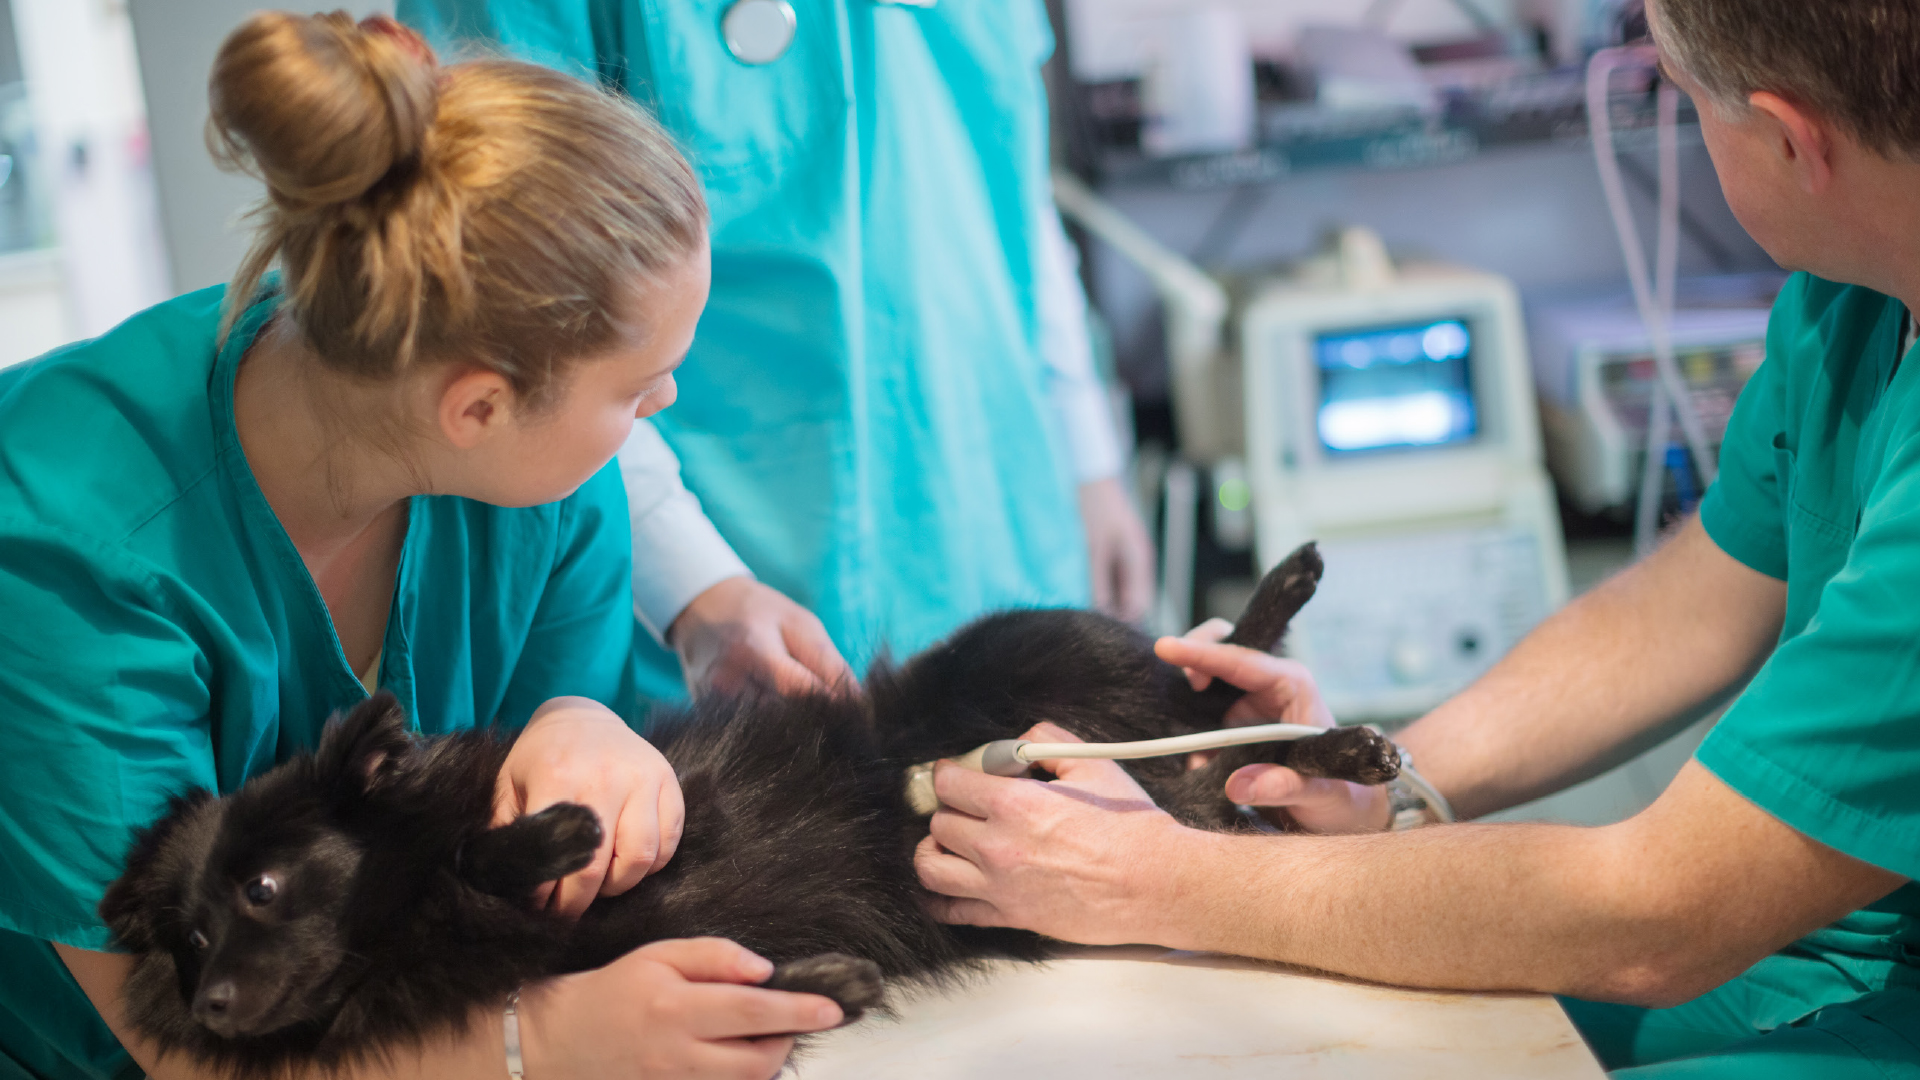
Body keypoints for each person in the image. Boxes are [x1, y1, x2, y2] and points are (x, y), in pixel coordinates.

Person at [914, 1, 1920, 1075]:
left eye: (1678, 90)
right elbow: (1701, 597)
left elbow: (1652, 915)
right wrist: (1390, 788)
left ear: (1790, 137)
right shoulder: (1850, 293)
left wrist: (1157, 877)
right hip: (1806, 945)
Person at [0, 14, 840, 1079]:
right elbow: (187, 1045)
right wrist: (539, 1044)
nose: (662, 406)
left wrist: (579, 722)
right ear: (479, 407)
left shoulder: (543, 486)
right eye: (637, 389)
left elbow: (501, 859)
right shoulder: (66, 564)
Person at [397, 0, 1157, 702]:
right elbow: (506, 302)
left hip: (998, 513)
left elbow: (1008, 179)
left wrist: (1086, 457)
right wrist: (696, 588)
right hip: (709, 592)